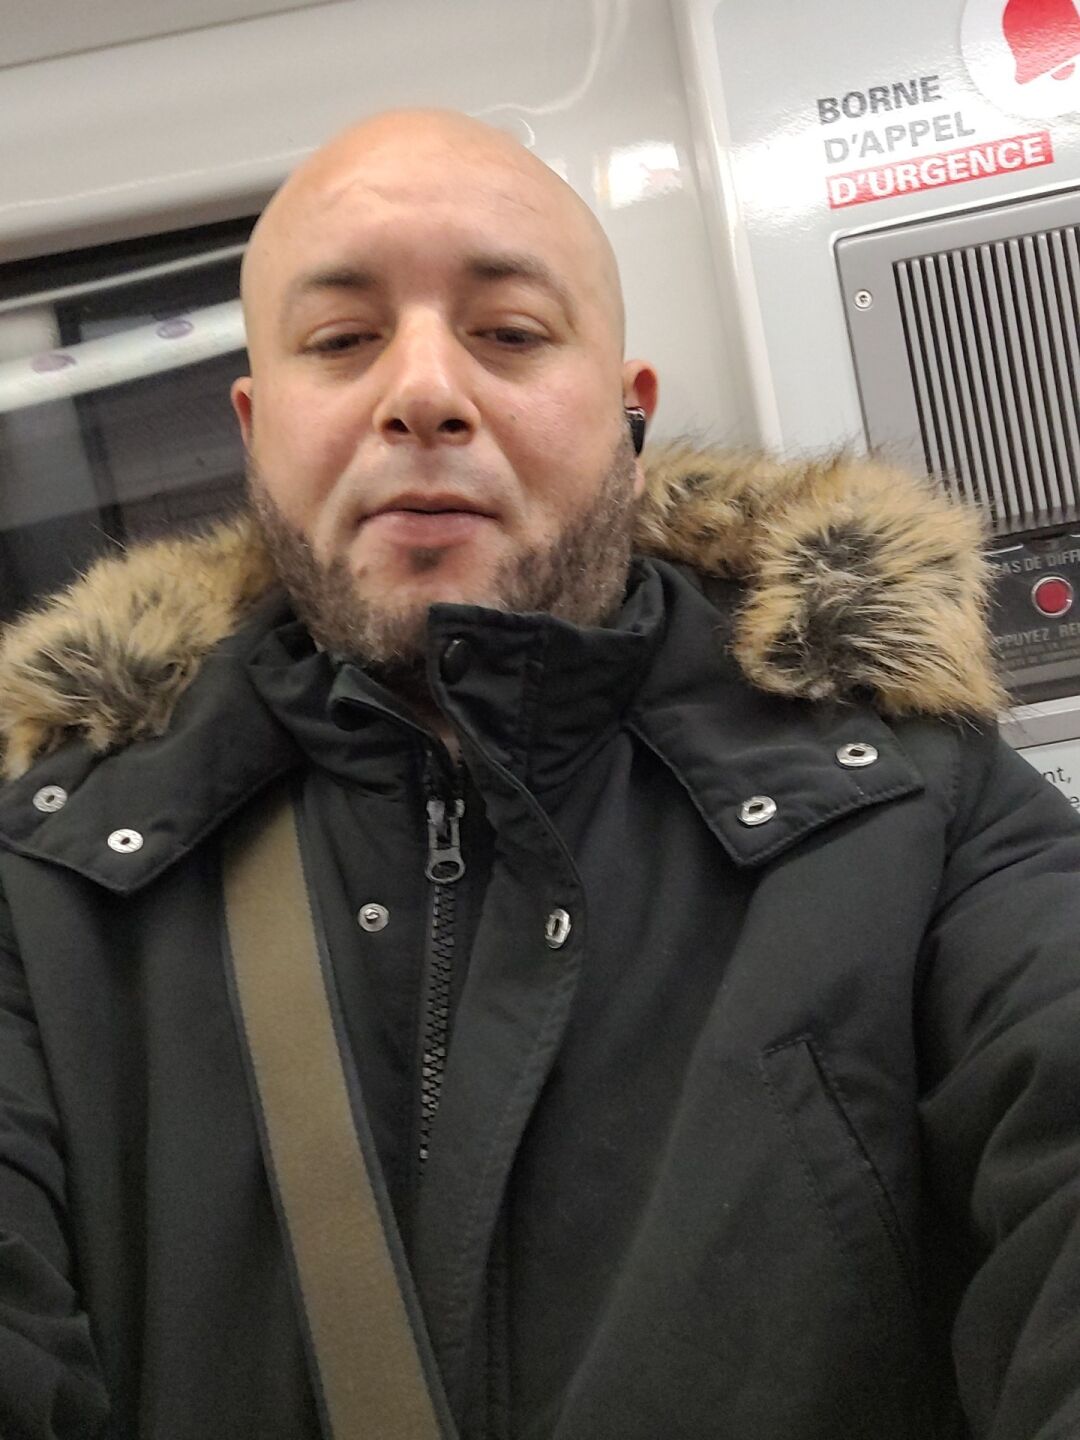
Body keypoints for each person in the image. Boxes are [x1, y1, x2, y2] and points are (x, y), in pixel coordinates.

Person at [0, 107, 1076, 1440]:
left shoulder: (915, 812)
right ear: (256, 427)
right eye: (340, 341)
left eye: (509, 334)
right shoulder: (49, 894)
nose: (423, 392)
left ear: (631, 417)